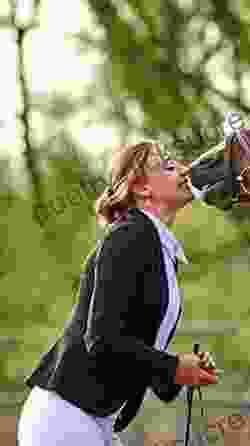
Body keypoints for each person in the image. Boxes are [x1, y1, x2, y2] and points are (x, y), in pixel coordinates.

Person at [17, 141, 219, 446]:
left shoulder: (155, 244)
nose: (181, 168)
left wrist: (180, 372)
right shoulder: (130, 236)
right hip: (66, 418)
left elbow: (131, 347)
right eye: (165, 165)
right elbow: (102, 339)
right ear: (141, 188)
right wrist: (173, 366)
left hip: (96, 421)